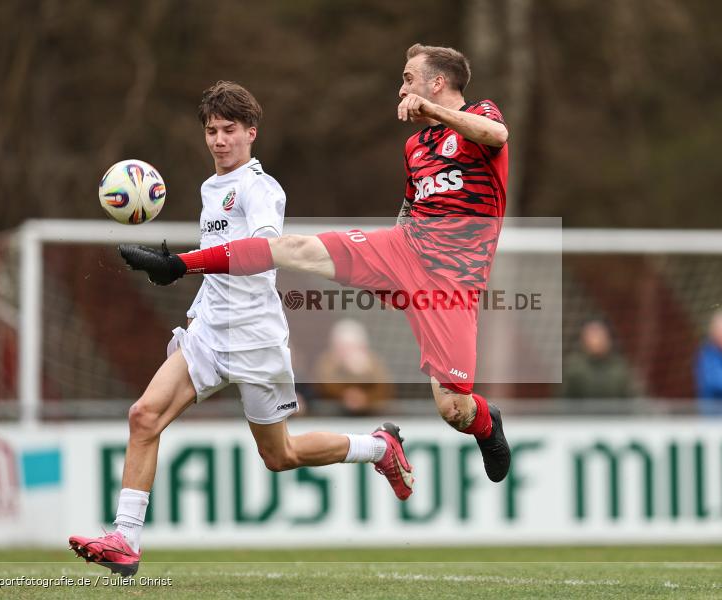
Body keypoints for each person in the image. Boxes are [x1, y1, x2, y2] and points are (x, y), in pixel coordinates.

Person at [119, 44, 512, 486]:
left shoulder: (481, 114)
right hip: (405, 249)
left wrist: (434, 112)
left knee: (453, 409)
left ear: (437, 83)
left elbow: (496, 136)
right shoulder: (416, 145)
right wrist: (393, 268)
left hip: (452, 280)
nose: (401, 89)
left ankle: (487, 424)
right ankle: (179, 265)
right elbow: (412, 203)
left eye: (408, 79)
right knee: (293, 248)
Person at [69, 82, 412, 577]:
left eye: (229, 130)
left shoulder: (260, 188)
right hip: (209, 331)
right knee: (144, 416)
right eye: (211, 131)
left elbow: (264, 252)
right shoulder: (210, 188)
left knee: (280, 455)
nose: (219, 140)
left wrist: (179, 264)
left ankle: (379, 447)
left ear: (252, 132)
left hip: (256, 338)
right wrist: (182, 272)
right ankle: (125, 539)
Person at [314, 319, 393, 416]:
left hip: (370, 416)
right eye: (342, 348)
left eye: (352, 347)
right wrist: (345, 392)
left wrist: (364, 377)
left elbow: (384, 391)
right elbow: (324, 388)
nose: (347, 352)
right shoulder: (327, 363)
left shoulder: (373, 364)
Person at [561, 319, 634, 399]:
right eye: (592, 335)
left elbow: (632, 397)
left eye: (599, 335)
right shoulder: (574, 368)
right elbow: (563, 399)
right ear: (583, 340)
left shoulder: (620, 368)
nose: (596, 340)